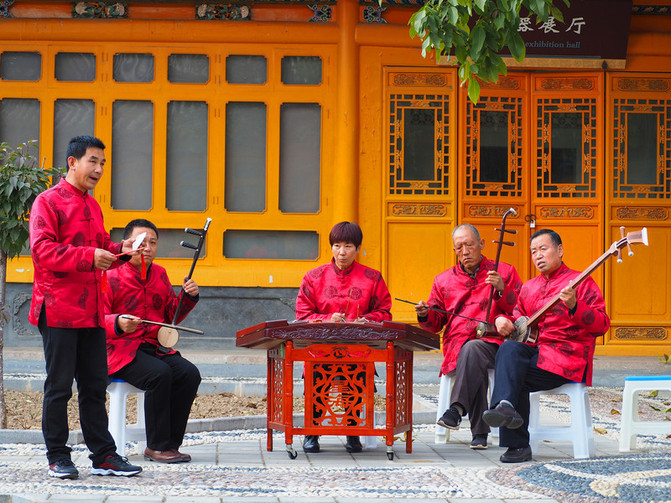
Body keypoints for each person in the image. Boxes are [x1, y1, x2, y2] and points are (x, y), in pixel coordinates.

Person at [29, 135, 143, 479]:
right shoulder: (47, 202)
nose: (98, 169)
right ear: (72, 162)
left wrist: (122, 249)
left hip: (93, 312)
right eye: (93, 161)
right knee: (59, 387)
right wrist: (91, 256)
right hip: (59, 308)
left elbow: (99, 249)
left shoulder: (93, 205)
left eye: (103, 163)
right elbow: (42, 251)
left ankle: (104, 455)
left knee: (95, 386)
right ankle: (58, 456)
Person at [483, 229, 610, 463]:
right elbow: (518, 318)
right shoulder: (529, 287)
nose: (538, 255)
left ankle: (516, 440)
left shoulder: (581, 282)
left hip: (567, 361)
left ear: (559, 250)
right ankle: (506, 408)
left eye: (543, 249)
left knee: (514, 373)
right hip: (537, 357)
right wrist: (503, 320)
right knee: (509, 350)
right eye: (533, 251)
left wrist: (575, 305)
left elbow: (602, 325)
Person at [415, 223, 522, 450]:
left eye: (469, 245)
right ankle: (479, 434)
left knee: (474, 350)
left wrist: (502, 288)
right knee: (471, 353)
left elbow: (522, 309)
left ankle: (456, 410)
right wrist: (425, 314)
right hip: (458, 346)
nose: (465, 252)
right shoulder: (443, 280)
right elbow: (435, 325)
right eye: (459, 247)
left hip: (497, 345)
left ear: (481, 244)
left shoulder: (504, 271)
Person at [103, 218, 201, 464]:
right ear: (126, 245)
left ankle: (170, 444)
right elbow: (95, 318)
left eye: (153, 243)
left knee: (189, 373)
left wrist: (187, 298)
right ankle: (155, 446)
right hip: (119, 349)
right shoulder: (110, 273)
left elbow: (170, 316)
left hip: (154, 346)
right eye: (141, 242)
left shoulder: (159, 273)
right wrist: (117, 322)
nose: (147, 248)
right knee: (159, 374)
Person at [295, 221, 392, 454]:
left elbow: (385, 312)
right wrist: (327, 318)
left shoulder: (372, 277)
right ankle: (312, 431)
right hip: (320, 348)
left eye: (348, 246)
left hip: (357, 348)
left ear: (358, 249)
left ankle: (352, 430)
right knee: (317, 377)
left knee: (356, 377)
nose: (341, 251)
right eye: (336, 245)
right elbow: (302, 314)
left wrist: (366, 320)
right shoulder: (313, 277)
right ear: (331, 248)